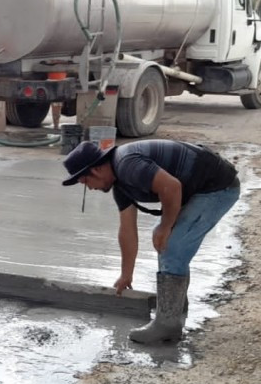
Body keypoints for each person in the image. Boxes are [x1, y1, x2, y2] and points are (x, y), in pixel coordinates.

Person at [62, 139, 240, 344]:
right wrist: (125, 274)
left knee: (172, 245)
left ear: (97, 169)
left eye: (85, 182)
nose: (89, 188)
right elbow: (127, 230)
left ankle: (167, 326)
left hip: (218, 187)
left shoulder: (127, 165)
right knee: (169, 242)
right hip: (199, 188)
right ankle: (175, 309)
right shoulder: (120, 184)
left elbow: (171, 188)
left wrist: (165, 226)